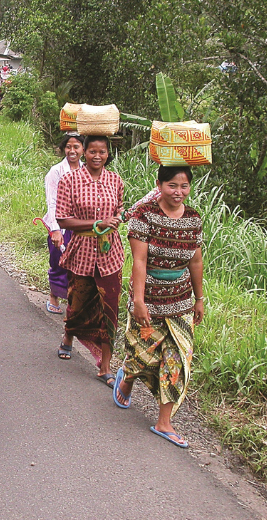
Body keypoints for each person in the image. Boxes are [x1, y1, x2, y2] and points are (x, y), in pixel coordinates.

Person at [113, 165, 204, 449]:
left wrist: (199, 298)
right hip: (149, 297)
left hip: (181, 300)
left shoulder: (193, 219)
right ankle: (128, 375)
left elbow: (196, 261)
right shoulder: (144, 216)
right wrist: (139, 302)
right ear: (159, 185)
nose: (178, 192)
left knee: (179, 358)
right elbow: (139, 261)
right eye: (172, 186)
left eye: (184, 186)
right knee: (144, 356)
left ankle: (164, 421)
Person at [55, 135, 124, 382]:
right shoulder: (69, 180)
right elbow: (62, 219)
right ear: (85, 152)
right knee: (78, 301)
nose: (97, 156)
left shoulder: (116, 180)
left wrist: (117, 218)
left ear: (108, 153)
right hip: (82, 250)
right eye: (92, 151)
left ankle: (105, 366)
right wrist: (97, 223)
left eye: (102, 152)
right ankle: (69, 334)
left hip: (110, 253)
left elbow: (119, 209)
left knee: (110, 309)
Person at [42, 133, 85, 316]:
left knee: (80, 264)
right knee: (59, 262)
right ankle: (54, 296)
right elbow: (52, 202)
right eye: (68, 147)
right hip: (60, 225)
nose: (72, 151)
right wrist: (55, 230)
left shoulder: (88, 170)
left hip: (81, 226)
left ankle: (76, 301)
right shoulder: (56, 171)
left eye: (76, 147)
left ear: (83, 149)